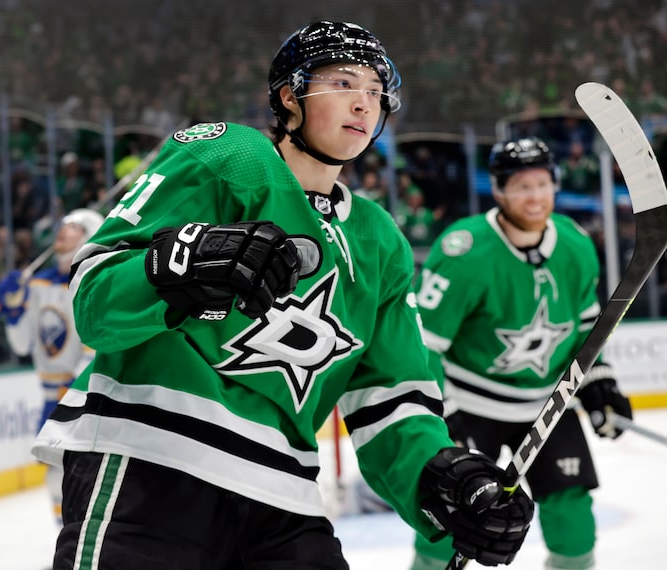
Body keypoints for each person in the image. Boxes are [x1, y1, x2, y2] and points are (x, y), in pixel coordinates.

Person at [32, 21, 534, 570]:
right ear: (289, 96)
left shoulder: (378, 240)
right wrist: (185, 261)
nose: (364, 104)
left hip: (283, 496)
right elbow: (94, 301)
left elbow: (391, 399)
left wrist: (442, 477)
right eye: (343, 83)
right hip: (151, 458)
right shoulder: (230, 156)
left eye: (374, 90)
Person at [409, 137, 634, 570]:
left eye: (543, 183)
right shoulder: (464, 251)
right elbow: (425, 345)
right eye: (522, 186)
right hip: (471, 403)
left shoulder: (574, 243)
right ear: (498, 190)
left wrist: (599, 382)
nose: (535, 196)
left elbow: (586, 329)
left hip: (547, 405)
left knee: (574, 527)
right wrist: (444, 412)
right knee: (446, 523)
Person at [0, 208, 104, 529]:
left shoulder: (90, 282)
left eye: (73, 227)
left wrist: (76, 388)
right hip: (50, 396)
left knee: (82, 472)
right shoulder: (38, 283)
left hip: (85, 393)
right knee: (55, 474)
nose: (63, 231)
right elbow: (21, 344)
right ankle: (65, 544)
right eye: (63, 225)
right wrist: (13, 309)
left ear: (88, 237)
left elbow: (93, 345)